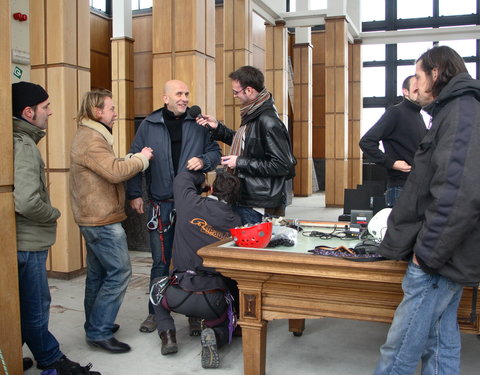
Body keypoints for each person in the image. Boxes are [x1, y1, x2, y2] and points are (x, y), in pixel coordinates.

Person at [373, 46, 480, 375]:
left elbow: (457, 194)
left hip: (439, 257)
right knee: (441, 340)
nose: (414, 86)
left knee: (400, 347)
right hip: (449, 254)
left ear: (436, 73)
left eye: (418, 76)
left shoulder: (461, 113)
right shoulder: (456, 110)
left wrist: (427, 255)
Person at [12, 81, 101, 374]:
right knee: (36, 307)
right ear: (28, 112)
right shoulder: (23, 145)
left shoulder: (14, 139)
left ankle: (14, 354)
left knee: (21, 307)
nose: (50, 112)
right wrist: (53, 213)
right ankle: (50, 359)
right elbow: (26, 201)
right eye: (45, 107)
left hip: (21, 241)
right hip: (28, 243)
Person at [126, 80, 221, 333]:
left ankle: (194, 311)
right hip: (161, 205)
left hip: (191, 206)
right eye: (179, 94)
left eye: (187, 94)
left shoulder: (198, 123)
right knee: (160, 261)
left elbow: (215, 153)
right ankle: (155, 313)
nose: (184, 98)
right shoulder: (149, 124)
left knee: (193, 260)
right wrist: (135, 194)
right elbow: (135, 158)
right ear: (165, 98)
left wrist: (203, 160)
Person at [70, 90, 153, 353]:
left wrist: (128, 159)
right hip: (101, 221)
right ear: (97, 112)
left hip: (97, 217)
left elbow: (107, 167)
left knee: (98, 274)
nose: (116, 114)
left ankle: (95, 323)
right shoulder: (92, 139)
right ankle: (99, 330)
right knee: (119, 272)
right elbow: (115, 173)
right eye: (112, 109)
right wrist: (141, 159)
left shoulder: (91, 136)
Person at [151, 170, 242, 369]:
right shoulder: (235, 222)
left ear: (210, 189)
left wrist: (201, 174)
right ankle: (214, 334)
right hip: (212, 299)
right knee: (231, 323)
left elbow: (182, 178)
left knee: (155, 288)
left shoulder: (189, 203)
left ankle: (167, 333)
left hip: (178, 292)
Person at [196, 65, 296, 225]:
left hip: (257, 204)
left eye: (236, 92)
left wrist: (239, 162)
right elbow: (247, 143)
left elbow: (282, 165)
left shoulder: (267, 120)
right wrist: (218, 128)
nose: (234, 96)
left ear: (249, 90)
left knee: (252, 249)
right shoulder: (254, 113)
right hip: (248, 197)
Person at [359, 75, 427, 207]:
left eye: (422, 89)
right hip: (400, 188)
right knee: (401, 228)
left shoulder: (419, 115)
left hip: (417, 185)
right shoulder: (395, 112)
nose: (419, 92)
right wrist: (392, 163)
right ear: (405, 91)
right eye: (415, 89)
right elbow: (366, 142)